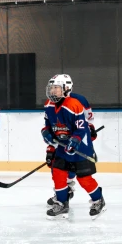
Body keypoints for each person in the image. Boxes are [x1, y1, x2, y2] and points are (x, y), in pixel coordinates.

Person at [41, 74, 104, 219]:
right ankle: (62, 203)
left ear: (66, 88)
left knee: (84, 178)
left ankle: (98, 200)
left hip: (80, 148)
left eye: (56, 88)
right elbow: (48, 126)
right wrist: (46, 135)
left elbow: (81, 128)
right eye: (51, 88)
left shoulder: (75, 104)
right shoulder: (48, 105)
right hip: (63, 148)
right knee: (57, 173)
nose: (52, 91)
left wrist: (75, 140)